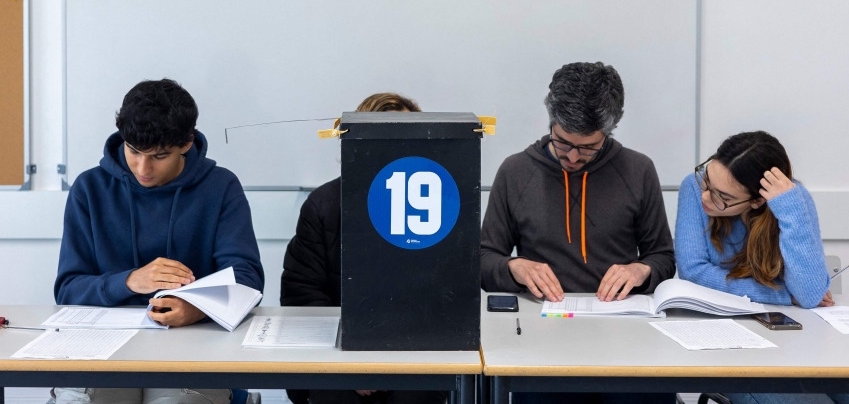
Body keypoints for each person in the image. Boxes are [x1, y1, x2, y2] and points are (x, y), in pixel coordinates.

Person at [51, 79, 264, 404]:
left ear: (186, 143)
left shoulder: (220, 187)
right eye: (134, 151)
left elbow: (246, 280)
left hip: (191, 347)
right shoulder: (90, 188)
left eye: (159, 156)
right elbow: (68, 289)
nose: (143, 168)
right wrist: (130, 281)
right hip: (105, 348)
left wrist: (197, 308)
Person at [481, 62, 676, 404]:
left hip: (626, 339)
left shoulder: (638, 169)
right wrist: (515, 268)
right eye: (563, 142)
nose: (572, 156)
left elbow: (663, 258)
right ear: (550, 120)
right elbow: (483, 260)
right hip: (542, 340)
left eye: (588, 147)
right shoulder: (516, 171)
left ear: (610, 129)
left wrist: (641, 270)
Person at [676, 131, 849, 404]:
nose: (706, 197)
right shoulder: (693, 187)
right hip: (729, 342)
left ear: (758, 200)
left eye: (722, 196)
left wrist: (790, 208)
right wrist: (782, 294)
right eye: (707, 180)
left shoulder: (792, 199)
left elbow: (807, 295)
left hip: (799, 344)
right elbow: (694, 273)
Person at [281, 92, 445, 404]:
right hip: (336, 354)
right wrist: (350, 365)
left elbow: (443, 298)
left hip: (414, 357)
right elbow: (303, 296)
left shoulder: (437, 207)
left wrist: (395, 365)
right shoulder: (324, 206)